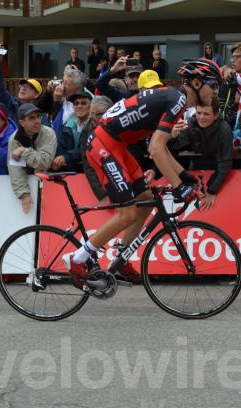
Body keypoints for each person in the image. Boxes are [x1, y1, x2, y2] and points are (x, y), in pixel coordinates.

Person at [68, 58, 223, 287]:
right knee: (128, 214)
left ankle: (119, 259)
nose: (217, 92)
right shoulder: (177, 100)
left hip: (116, 145)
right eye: (215, 85)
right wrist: (180, 187)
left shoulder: (174, 98)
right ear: (198, 84)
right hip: (103, 144)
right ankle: (79, 258)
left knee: (147, 201)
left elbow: (160, 148)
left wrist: (182, 175)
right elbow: (156, 149)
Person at [168, 95, 232, 210]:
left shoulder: (224, 130)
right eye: (199, 113)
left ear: (216, 115)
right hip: (197, 168)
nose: (201, 117)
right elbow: (176, 146)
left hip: (217, 169)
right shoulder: (191, 123)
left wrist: (212, 190)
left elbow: (224, 163)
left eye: (206, 114)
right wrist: (173, 137)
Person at [7, 103, 57, 214]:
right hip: (30, 184)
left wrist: (24, 151)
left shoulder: (49, 133)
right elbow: (15, 170)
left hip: (52, 185)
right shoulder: (14, 140)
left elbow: (45, 162)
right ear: (22, 122)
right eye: (32, 118)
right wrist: (24, 194)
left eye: (38, 116)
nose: (38, 121)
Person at [0, 46, 49, 126]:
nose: (23, 88)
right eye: (22, 86)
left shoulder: (41, 117)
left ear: (36, 95)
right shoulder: (10, 103)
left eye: (27, 87)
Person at [81, 95, 113, 201]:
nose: (91, 117)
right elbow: (87, 164)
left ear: (107, 114)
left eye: (96, 114)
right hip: (102, 181)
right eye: (91, 112)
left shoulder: (120, 127)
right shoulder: (87, 129)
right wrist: (101, 193)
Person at [52, 91, 92, 172]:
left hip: (88, 172)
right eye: (76, 104)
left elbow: (87, 148)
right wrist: (59, 160)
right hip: (68, 171)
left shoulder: (95, 126)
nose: (79, 106)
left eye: (83, 103)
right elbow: (60, 147)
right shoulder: (66, 126)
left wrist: (66, 158)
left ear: (91, 106)